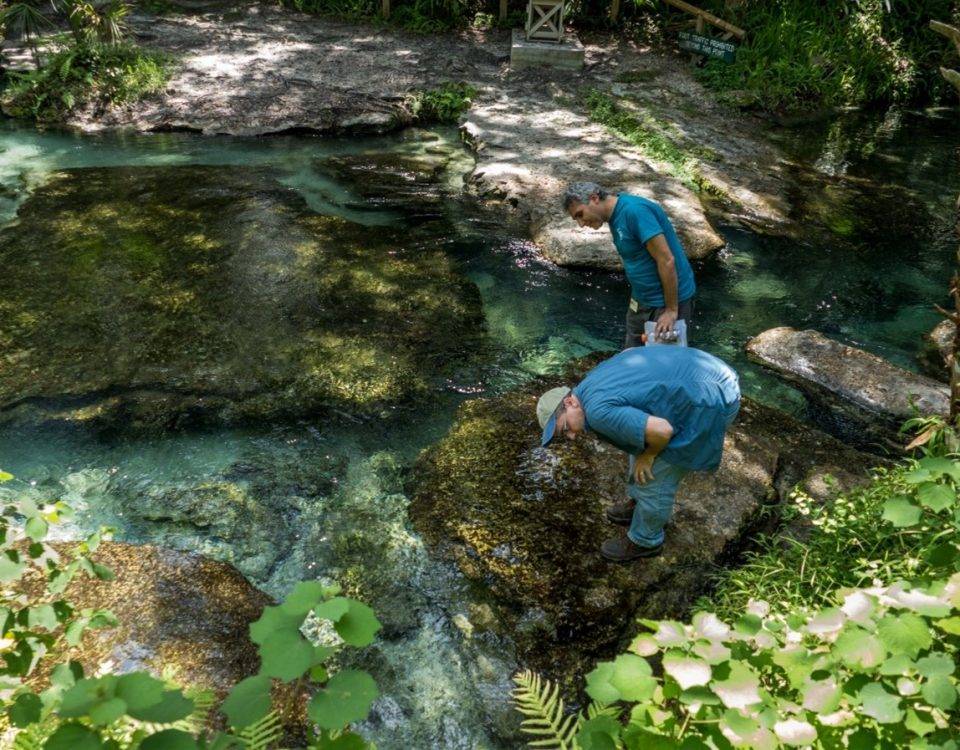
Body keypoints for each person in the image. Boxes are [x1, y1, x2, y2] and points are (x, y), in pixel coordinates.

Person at [536, 346, 740, 562]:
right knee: (638, 437)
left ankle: (646, 540)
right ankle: (638, 502)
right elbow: (629, 352)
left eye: (565, 428)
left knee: (656, 476)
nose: (571, 436)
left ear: (569, 402)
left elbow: (662, 431)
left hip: (713, 398)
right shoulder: (586, 386)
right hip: (713, 373)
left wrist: (649, 456)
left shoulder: (597, 412)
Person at [563, 182, 697, 348]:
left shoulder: (635, 211)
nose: (581, 224)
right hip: (641, 301)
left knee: (663, 366)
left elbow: (666, 260)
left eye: (580, 214)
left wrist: (671, 311)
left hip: (667, 303)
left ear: (594, 198)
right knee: (632, 357)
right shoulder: (613, 216)